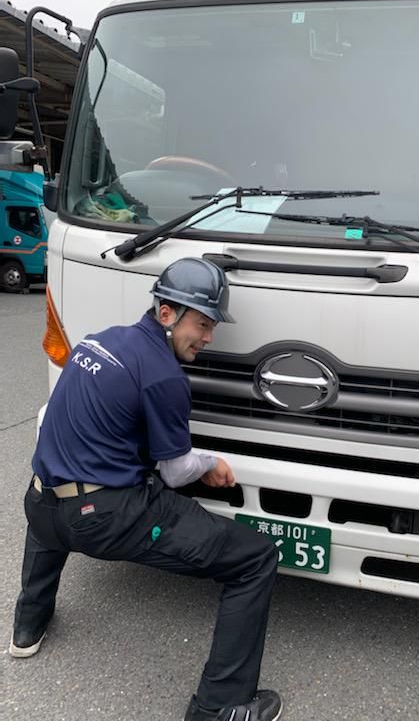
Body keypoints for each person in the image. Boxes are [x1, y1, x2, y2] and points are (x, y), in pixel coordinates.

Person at [10, 257, 282, 721]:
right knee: (254, 559)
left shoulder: (97, 341)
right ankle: (221, 706)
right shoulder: (163, 376)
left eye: (212, 326)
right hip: (104, 519)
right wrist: (212, 463)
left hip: (40, 502)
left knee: (51, 506)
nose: (209, 338)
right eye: (203, 324)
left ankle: (27, 628)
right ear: (166, 313)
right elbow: (176, 472)